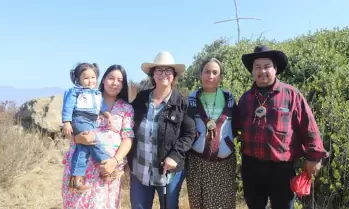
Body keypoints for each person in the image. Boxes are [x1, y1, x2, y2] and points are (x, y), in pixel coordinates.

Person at [237, 45, 329, 209]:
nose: (262, 71)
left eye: (267, 66)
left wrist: (314, 157)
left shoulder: (291, 94)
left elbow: (308, 126)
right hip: (251, 166)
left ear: (275, 69)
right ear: (252, 70)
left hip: (281, 169)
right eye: (257, 67)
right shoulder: (245, 99)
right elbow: (235, 127)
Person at [128, 51, 196, 209]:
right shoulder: (141, 98)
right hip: (140, 169)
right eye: (159, 70)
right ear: (153, 74)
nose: (163, 74)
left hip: (168, 172)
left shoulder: (182, 103)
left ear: (174, 75)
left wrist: (175, 155)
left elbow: (189, 134)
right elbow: (127, 123)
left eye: (168, 70)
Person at [62, 64, 135, 209]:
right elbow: (69, 129)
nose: (115, 83)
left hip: (107, 170)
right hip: (82, 167)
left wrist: (114, 161)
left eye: (120, 80)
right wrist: (78, 139)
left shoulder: (126, 108)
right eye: (111, 78)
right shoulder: (85, 97)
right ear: (102, 80)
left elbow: (128, 138)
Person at [185, 57, 239, 209]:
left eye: (215, 72)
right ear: (200, 74)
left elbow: (235, 126)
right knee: (198, 203)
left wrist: (225, 143)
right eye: (207, 71)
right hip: (197, 162)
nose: (210, 76)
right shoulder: (191, 99)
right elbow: (186, 128)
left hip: (224, 163)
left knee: (223, 204)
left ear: (220, 77)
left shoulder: (229, 98)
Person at [62, 63, 112, 191]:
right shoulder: (75, 91)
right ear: (79, 79)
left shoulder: (97, 93)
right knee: (92, 140)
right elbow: (68, 107)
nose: (90, 81)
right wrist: (66, 121)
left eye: (93, 77)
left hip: (91, 122)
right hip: (80, 119)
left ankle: (76, 180)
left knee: (83, 148)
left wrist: (107, 115)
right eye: (86, 78)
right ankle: (105, 165)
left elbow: (102, 107)